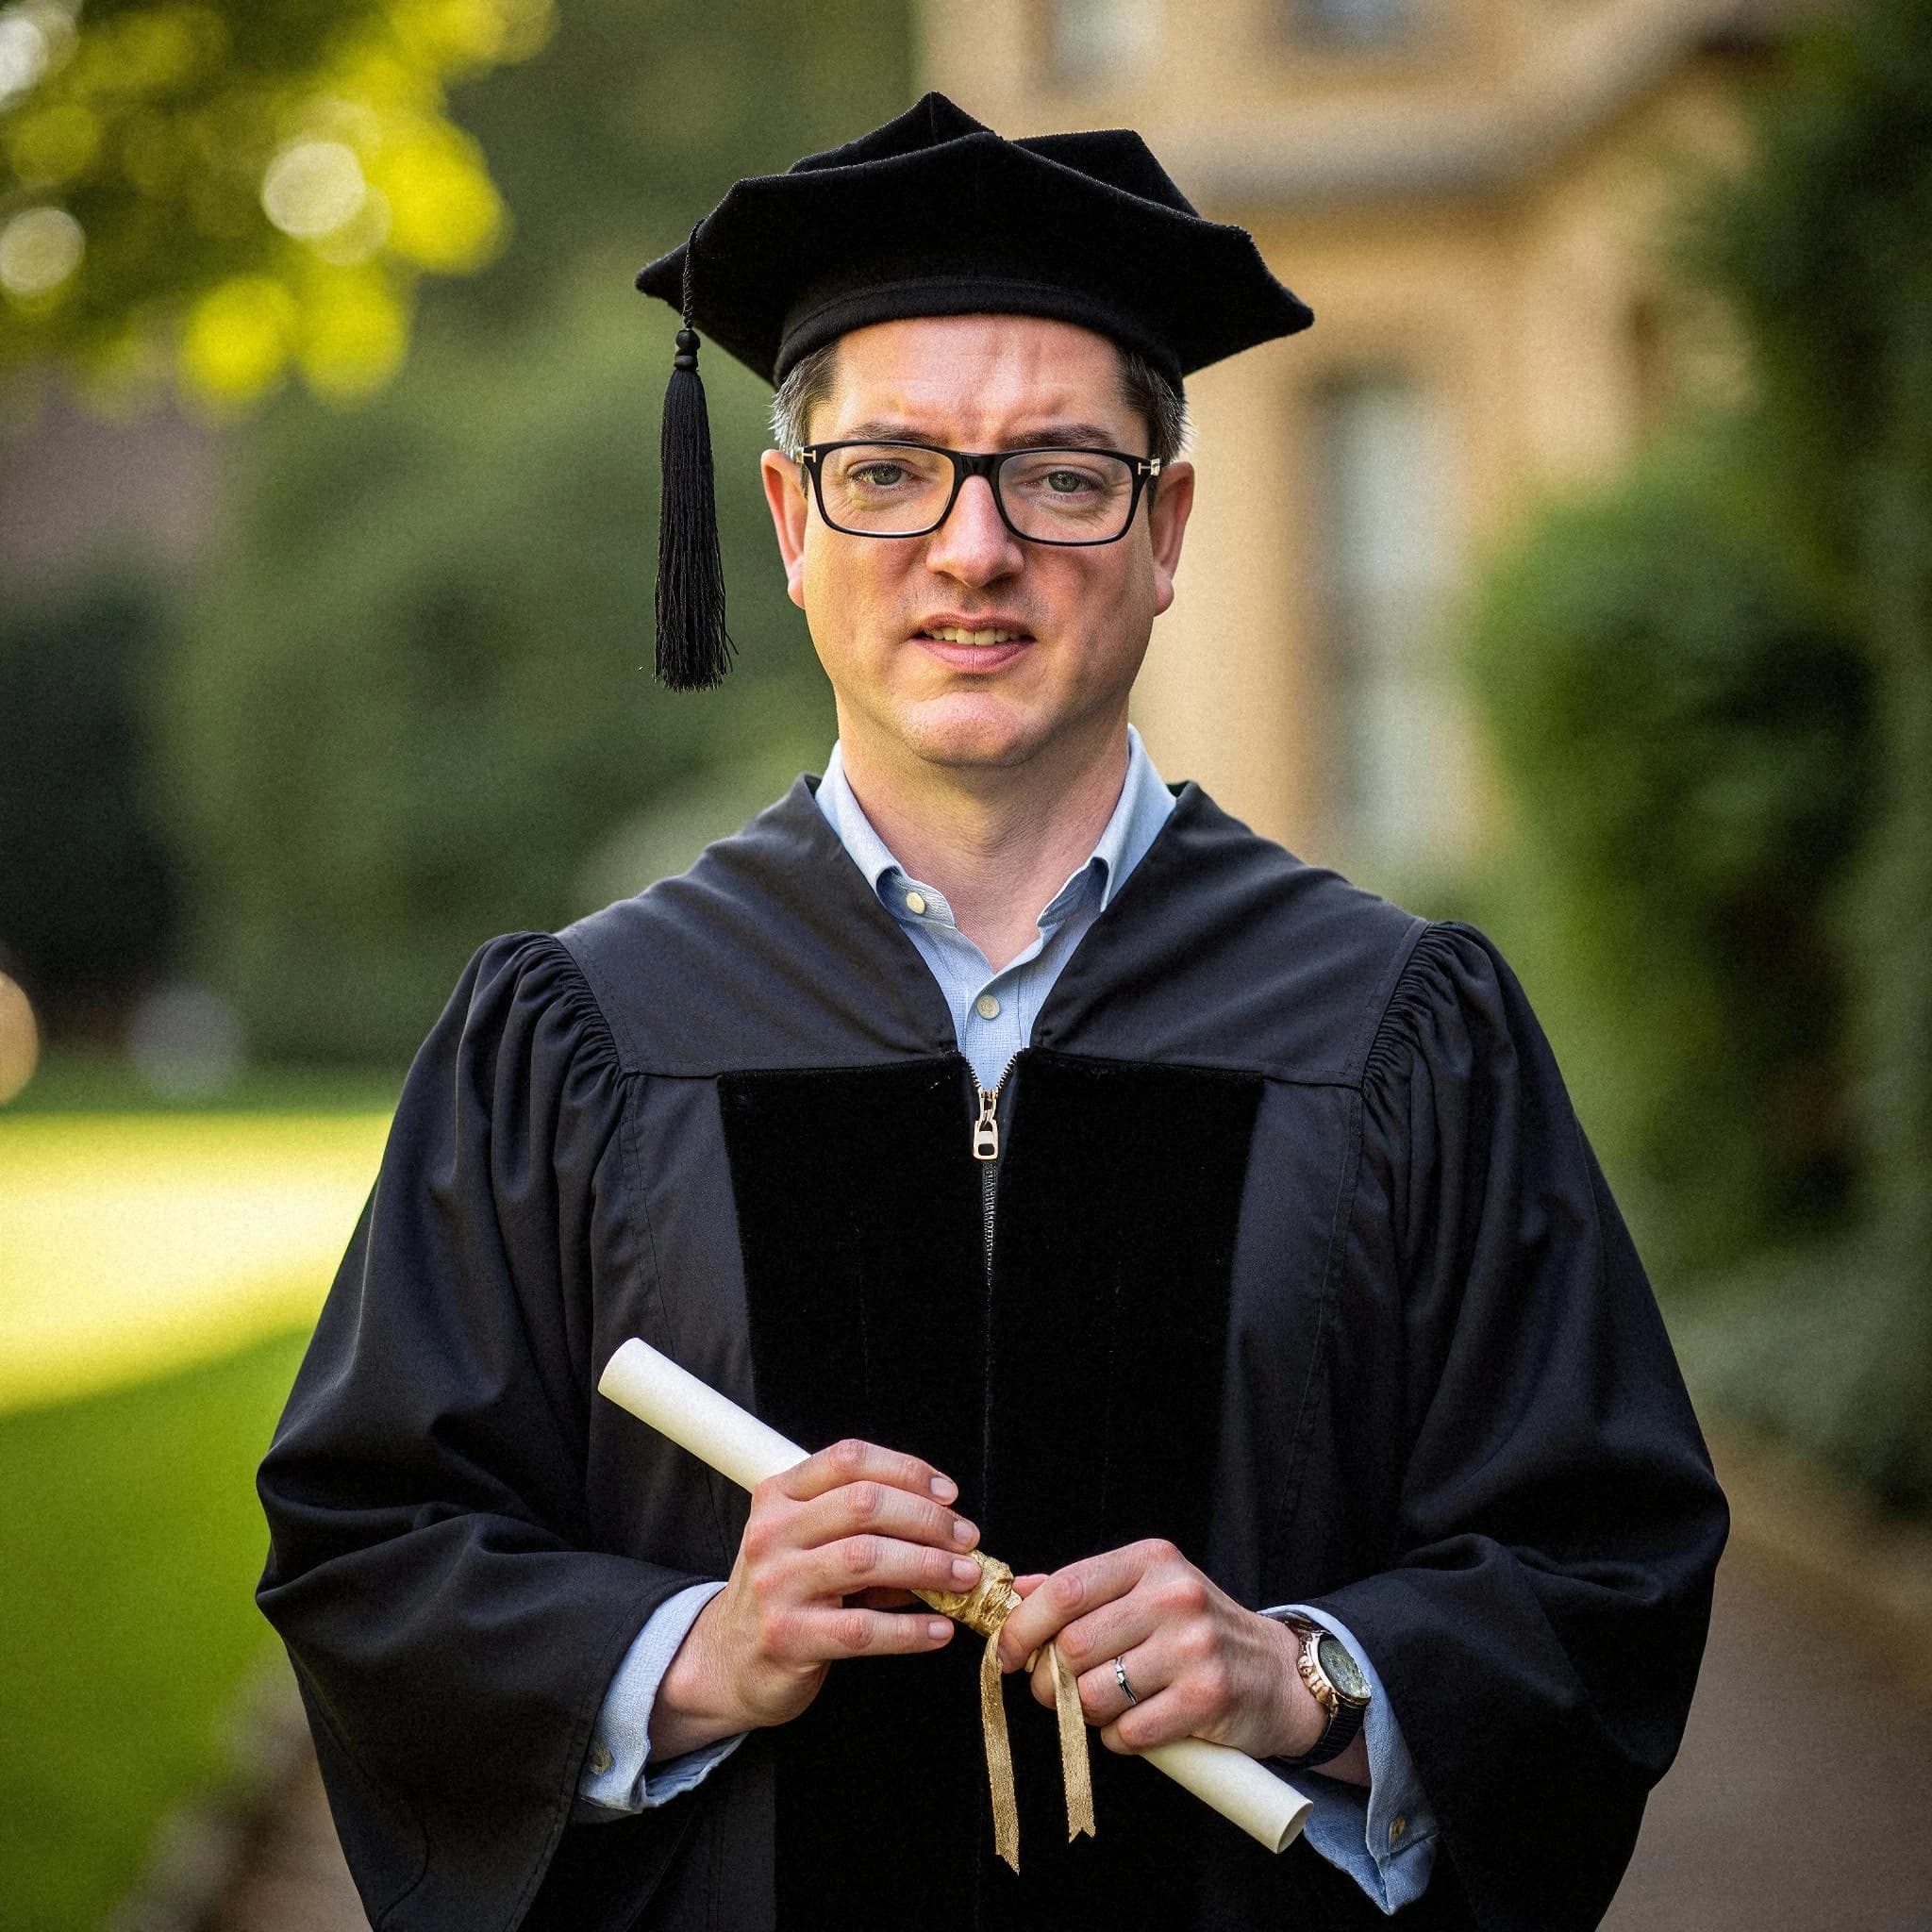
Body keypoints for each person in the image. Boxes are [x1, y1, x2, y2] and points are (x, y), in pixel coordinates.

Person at [256, 93, 1728, 1932]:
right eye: (891, 471)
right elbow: (372, 1545)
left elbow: (1606, 1556)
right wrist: (693, 1650)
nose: (972, 549)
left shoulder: (1399, 1027)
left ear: (1167, 522)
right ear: (788, 519)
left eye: (1059, 471)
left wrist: (1312, 1675)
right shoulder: (575, 1035)